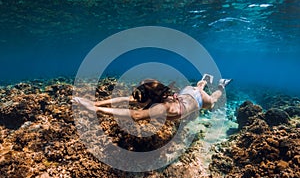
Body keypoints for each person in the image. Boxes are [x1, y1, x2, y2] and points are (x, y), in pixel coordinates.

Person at [72, 74, 232, 121]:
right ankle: (203, 80)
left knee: (212, 103)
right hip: (186, 92)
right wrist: (95, 103)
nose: (137, 100)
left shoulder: (163, 107)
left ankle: (220, 85)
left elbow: (135, 115)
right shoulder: (156, 96)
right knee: (196, 87)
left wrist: (96, 109)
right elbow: (123, 99)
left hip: (198, 99)